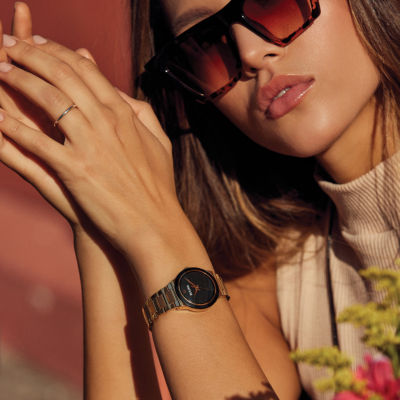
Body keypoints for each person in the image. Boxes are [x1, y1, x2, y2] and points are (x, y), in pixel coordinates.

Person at [0, 1, 399, 399]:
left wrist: (157, 230)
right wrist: (98, 223)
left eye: (272, 3)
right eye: (205, 42)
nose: (249, 53)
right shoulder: (278, 279)